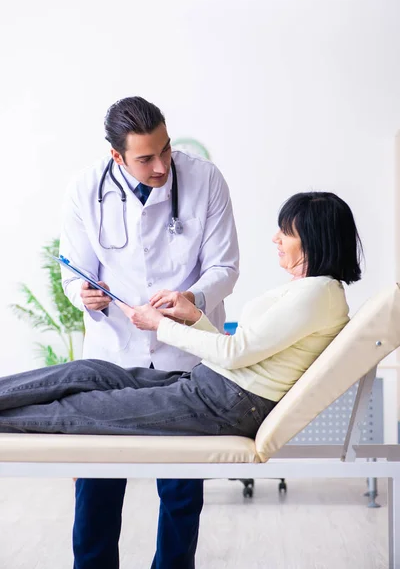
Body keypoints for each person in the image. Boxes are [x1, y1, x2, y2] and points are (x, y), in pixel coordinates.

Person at [0, 192, 362, 564]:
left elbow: (235, 353)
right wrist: (192, 316)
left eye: (286, 232)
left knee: (81, 410)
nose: (275, 239)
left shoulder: (317, 295)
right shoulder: (312, 292)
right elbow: (238, 348)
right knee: (88, 371)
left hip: (224, 402)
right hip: (214, 387)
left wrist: (160, 326)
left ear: (316, 239)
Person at [58, 96, 240, 569]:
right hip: (114, 353)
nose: (161, 166)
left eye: (165, 150)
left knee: (181, 491)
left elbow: (225, 267)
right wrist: (85, 293)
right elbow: (74, 270)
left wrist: (193, 300)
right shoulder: (85, 189)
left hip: (185, 355)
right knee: (97, 486)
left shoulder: (205, 181)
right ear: (116, 156)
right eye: (145, 158)